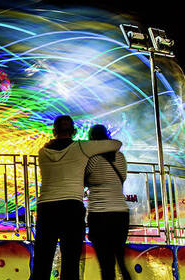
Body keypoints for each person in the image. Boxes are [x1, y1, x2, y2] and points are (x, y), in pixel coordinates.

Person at [31, 116, 122, 280]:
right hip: (71, 208)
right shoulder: (81, 147)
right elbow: (116, 144)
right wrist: (94, 145)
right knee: (71, 262)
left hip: (46, 208)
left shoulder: (42, 152)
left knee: (42, 261)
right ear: (73, 131)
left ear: (54, 131)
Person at [85, 124, 131, 280]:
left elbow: (84, 180)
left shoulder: (92, 159)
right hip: (121, 214)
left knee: (106, 265)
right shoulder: (121, 157)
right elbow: (122, 178)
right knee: (121, 261)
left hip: (100, 214)